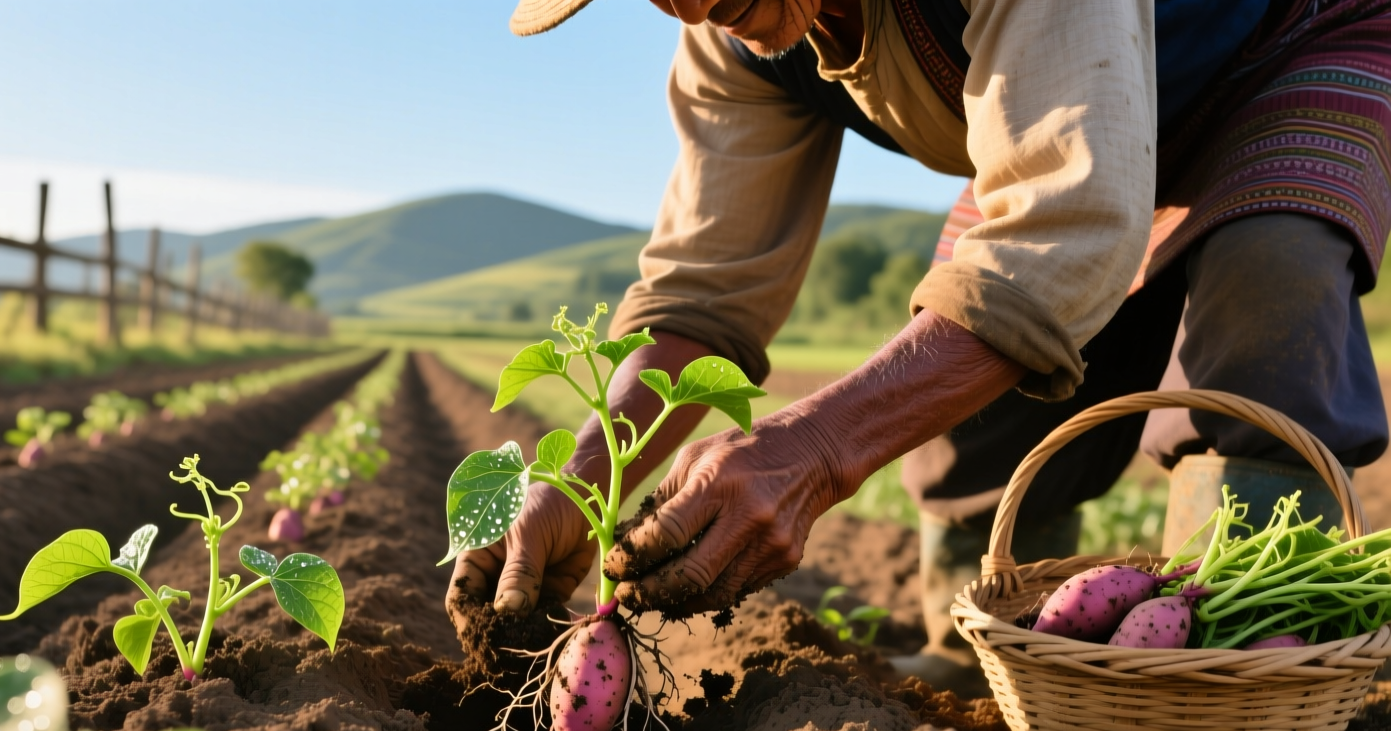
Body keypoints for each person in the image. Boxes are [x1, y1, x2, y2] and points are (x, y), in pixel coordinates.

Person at [449, 0, 1391, 693]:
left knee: (1275, 293)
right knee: (965, 401)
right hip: (1056, 112)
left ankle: (1243, 674)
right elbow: (705, 295)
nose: (686, 2)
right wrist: (579, 482)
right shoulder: (730, 37)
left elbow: (1060, 230)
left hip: (1276, 55)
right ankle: (978, 651)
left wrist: (816, 449)